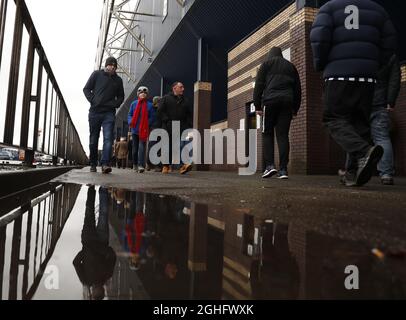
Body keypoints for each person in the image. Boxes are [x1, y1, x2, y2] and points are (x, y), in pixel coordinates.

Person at [310, 0, 397, 187]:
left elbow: (319, 37)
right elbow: (390, 42)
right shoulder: (379, 9)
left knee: (332, 118)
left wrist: (320, 64)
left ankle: (364, 151)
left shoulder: (330, 7)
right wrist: (375, 65)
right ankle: (351, 173)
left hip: (338, 75)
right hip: (367, 78)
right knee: (359, 125)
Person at [253, 47, 302, 180]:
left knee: (267, 133)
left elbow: (258, 85)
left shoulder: (266, 64)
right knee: (283, 135)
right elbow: (298, 89)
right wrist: (295, 109)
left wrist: (257, 105)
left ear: (270, 55)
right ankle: (283, 170)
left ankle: (269, 166)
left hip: (270, 101)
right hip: (287, 103)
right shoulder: (291, 67)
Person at [73, 186, 117, 300]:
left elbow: (76, 262)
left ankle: (91, 188)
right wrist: (99, 249)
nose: (98, 290)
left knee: (89, 211)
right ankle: (103, 189)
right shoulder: (107, 275)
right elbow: (112, 255)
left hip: (88, 239)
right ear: (102, 291)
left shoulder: (85, 280)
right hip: (102, 240)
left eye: (95, 293)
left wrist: (86, 250)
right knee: (104, 213)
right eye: (100, 292)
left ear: (92, 292)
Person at [83, 56, 124, 174]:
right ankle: (93, 163)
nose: (112, 67)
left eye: (114, 66)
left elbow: (121, 96)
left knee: (108, 138)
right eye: (110, 65)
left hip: (109, 113)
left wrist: (115, 104)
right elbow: (86, 89)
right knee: (93, 139)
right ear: (106, 65)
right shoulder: (96, 74)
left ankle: (105, 164)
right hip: (95, 112)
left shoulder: (118, 80)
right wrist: (93, 100)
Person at [157, 82, 193, 175]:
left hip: (181, 126)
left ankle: (183, 166)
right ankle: (165, 165)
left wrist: (189, 126)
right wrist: (166, 120)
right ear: (174, 88)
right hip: (168, 125)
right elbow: (160, 110)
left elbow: (189, 114)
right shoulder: (166, 98)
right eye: (181, 87)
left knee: (179, 146)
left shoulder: (185, 100)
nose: (183, 89)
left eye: (183, 87)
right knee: (167, 146)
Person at [128, 86, 155, 173]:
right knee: (135, 149)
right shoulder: (134, 104)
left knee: (142, 147)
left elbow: (152, 117)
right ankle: (135, 164)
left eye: (144, 93)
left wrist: (148, 124)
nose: (142, 94)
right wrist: (130, 121)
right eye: (140, 93)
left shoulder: (150, 105)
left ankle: (140, 165)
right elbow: (130, 114)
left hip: (143, 130)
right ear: (138, 94)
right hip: (135, 129)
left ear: (146, 95)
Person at [146, 96, 161, 172]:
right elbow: (147, 118)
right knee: (152, 147)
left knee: (158, 147)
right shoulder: (150, 108)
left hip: (160, 129)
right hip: (153, 129)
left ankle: (157, 165)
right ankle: (149, 164)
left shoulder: (161, 109)